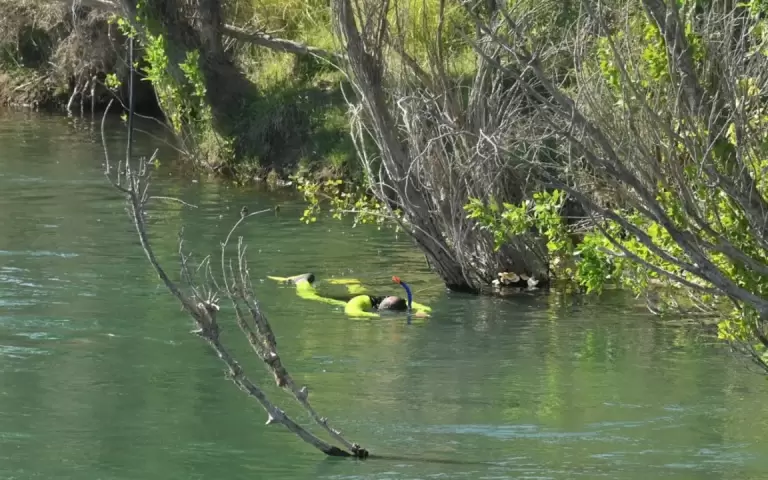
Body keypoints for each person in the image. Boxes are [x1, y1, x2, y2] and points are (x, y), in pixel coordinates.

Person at [267, 273, 431, 318]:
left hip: (367, 298)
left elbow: (423, 308)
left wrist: (420, 313)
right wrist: (378, 317)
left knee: (356, 286)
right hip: (353, 300)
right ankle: (302, 280)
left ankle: (350, 281)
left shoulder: (401, 304)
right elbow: (351, 312)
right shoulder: (363, 302)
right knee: (312, 296)